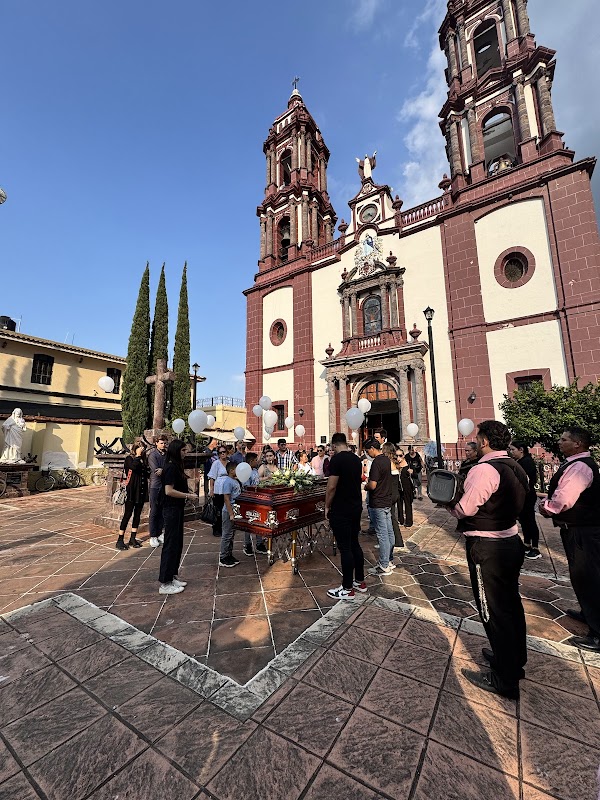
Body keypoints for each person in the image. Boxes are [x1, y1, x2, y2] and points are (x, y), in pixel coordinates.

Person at [445, 420, 529, 699]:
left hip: (487, 546)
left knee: (493, 610)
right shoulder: (515, 466)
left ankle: (505, 679)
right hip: (509, 540)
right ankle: (513, 659)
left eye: (478, 437)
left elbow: (466, 508)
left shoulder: (484, 469)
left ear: (484, 441)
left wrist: (449, 504)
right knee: (510, 604)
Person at [539, 427, 600, 652]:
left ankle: (598, 634)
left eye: (564, 439)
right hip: (580, 529)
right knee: (584, 577)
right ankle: (588, 613)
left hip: (583, 531)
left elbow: (564, 499)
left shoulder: (580, 467)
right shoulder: (576, 463)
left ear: (577, 444)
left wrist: (546, 507)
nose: (559, 442)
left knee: (588, 578)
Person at [325, 432, 366, 599]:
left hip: (341, 508)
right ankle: (360, 581)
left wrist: (327, 506)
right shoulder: (356, 459)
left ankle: (347, 588)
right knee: (355, 543)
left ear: (334, 445)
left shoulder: (336, 460)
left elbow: (331, 487)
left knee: (345, 547)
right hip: (355, 506)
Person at [158, 440, 197, 594]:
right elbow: (168, 490)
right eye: (183, 451)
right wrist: (188, 495)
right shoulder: (170, 467)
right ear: (176, 451)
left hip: (177, 508)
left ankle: (172, 575)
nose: (185, 453)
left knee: (177, 543)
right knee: (170, 543)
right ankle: (165, 582)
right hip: (171, 509)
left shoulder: (176, 466)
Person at [364, 438, 394, 576]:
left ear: (372, 448)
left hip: (378, 502)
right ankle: (389, 559)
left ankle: (384, 565)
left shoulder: (377, 462)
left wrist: (366, 486)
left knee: (382, 535)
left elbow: (373, 485)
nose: (367, 454)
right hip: (386, 500)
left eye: (367, 451)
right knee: (389, 532)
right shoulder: (386, 460)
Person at [507, 440, 541, 559]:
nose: (511, 452)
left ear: (521, 450)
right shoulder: (520, 461)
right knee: (524, 520)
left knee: (530, 520)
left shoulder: (526, 462)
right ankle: (527, 544)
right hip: (523, 496)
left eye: (513, 449)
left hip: (528, 496)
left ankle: (535, 548)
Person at [116, 441, 149, 551]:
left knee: (137, 515)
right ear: (135, 449)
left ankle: (133, 538)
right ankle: (120, 539)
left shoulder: (143, 460)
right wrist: (138, 456)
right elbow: (133, 467)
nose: (142, 451)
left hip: (141, 490)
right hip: (132, 490)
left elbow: (146, 473)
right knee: (127, 514)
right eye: (140, 448)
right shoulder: (129, 459)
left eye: (143, 449)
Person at [382, 444, 406, 558]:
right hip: (395, 493)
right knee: (392, 517)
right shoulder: (394, 462)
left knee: (390, 519)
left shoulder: (388, 463)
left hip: (391, 494)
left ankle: (395, 541)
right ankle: (397, 541)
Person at [218, 461, 242, 567]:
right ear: (231, 471)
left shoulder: (235, 480)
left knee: (231, 534)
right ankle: (223, 557)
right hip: (228, 511)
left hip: (235, 510)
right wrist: (231, 514)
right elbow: (226, 499)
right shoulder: (228, 482)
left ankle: (229, 554)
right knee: (227, 534)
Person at [148, 435, 167, 548]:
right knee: (154, 511)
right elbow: (156, 471)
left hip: (165, 486)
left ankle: (160, 533)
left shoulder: (167, 455)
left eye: (164, 443)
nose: (163, 445)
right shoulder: (153, 455)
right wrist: (165, 470)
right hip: (155, 486)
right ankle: (153, 535)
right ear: (156, 443)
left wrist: (163, 469)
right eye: (161, 443)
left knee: (162, 510)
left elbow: (170, 467)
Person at [208, 446, 229, 537]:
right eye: (220, 452)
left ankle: (225, 527)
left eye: (224, 452)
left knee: (226, 509)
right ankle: (216, 528)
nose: (222, 454)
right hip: (218, 490)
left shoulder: (229, 463)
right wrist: (211, 489)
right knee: (218, 510)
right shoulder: (216, 463)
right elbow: (212, 477)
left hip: (227, 489)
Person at [395, 448, 414, 531]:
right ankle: (401, 520)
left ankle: (409, 521)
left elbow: (415, 475)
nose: (398, 457)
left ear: (403, 456)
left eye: (400, 455)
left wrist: (412, 472)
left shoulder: (408, 464)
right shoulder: (395, 465)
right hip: (398, 488)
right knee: (399, 504)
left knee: (408, 504)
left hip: (407, 488)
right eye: (396, 455)